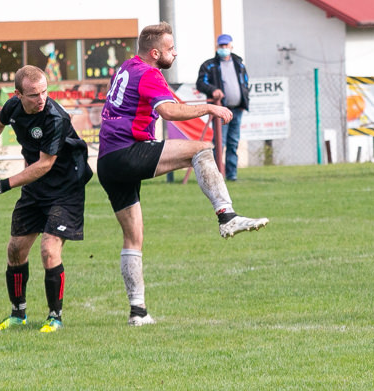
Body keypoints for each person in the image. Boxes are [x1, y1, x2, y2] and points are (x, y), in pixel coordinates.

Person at [98, 22, 268, 327]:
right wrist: (209, 109)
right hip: (127, 152)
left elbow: (166, 105)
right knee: (201, 149)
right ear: (154, 53)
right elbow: (168, 111)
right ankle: (227, 215)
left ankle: (138, 312)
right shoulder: (149, 72)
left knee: (133, 237)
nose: (175, 53)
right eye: (170, 49)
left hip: (107, 161)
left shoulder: (128, 66)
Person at [0, 65, 92, 333]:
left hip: (66, 189)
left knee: (48, 249)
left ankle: (54, 317)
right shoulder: (13, 107)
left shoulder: (55, 118)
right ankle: (18, 314)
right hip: (36, 188)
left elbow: (45, 164)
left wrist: (5, 184)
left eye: (44, 91)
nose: (41, 98)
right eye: (34, 94)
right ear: (17, 94)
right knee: (15, 249)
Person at [196, 34, 250, 181]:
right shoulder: (209, 65)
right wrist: (212, 90)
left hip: (237, 110)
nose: (224, 48)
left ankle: (232, 175)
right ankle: (216, 174)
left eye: (226, 45)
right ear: (217, 47)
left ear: (231, 46)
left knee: (233, 142)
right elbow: (200, 83)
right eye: (221, 46)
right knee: (220, 143)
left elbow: (245, 83)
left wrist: (244, 101)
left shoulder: (239, 64)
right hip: (220, 110)